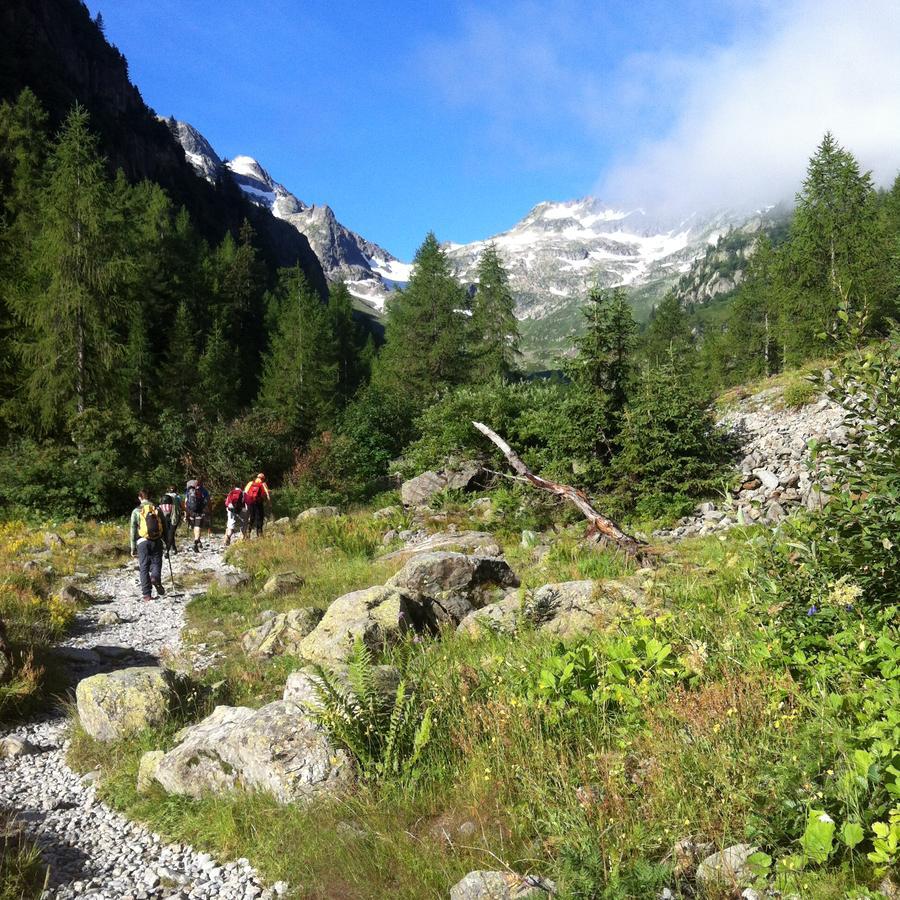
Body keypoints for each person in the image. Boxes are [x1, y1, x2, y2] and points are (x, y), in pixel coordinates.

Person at [130, 489, 166, 601]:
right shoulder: (157, 509)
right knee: (157, 562)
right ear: (150, 497)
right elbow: (164, 526)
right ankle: (155, 577)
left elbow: (133, 529)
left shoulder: (136, 511)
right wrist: (167, 542)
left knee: (144, 567)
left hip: (142, 542)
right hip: (156, 541)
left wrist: (133, 547)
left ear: (140, 498)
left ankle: (147, 594)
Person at [185, 477, 211, 553]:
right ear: (202, 483)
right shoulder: (203, 490)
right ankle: (196, 541)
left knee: (195, 527)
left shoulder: (189, 490)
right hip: (199, 511)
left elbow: (186, 502)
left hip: (190, 511)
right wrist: (209, 511)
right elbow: (208, 501)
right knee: (198, 526)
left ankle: (198, 541)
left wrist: (186, 513)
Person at [243, 472, 271, 538]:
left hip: (250, 503)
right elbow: (267, 494)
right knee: (260, 517)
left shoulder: (250, 483)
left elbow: (245, 492)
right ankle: (259, 534)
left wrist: (246, 503)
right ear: (263, 479)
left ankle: (248, 531)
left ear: (257, 477)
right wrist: (269, 503)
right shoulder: (263, 484)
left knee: (252, 517)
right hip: (258, 503)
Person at [158, 485, 183, 554]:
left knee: (167, 532)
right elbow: (181, 506)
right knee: (171, 533)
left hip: (164, 516)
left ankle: (172, 547)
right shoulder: (177, 497)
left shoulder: (163, 496)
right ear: (176, 490)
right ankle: (170, 548)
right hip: (174, 516)